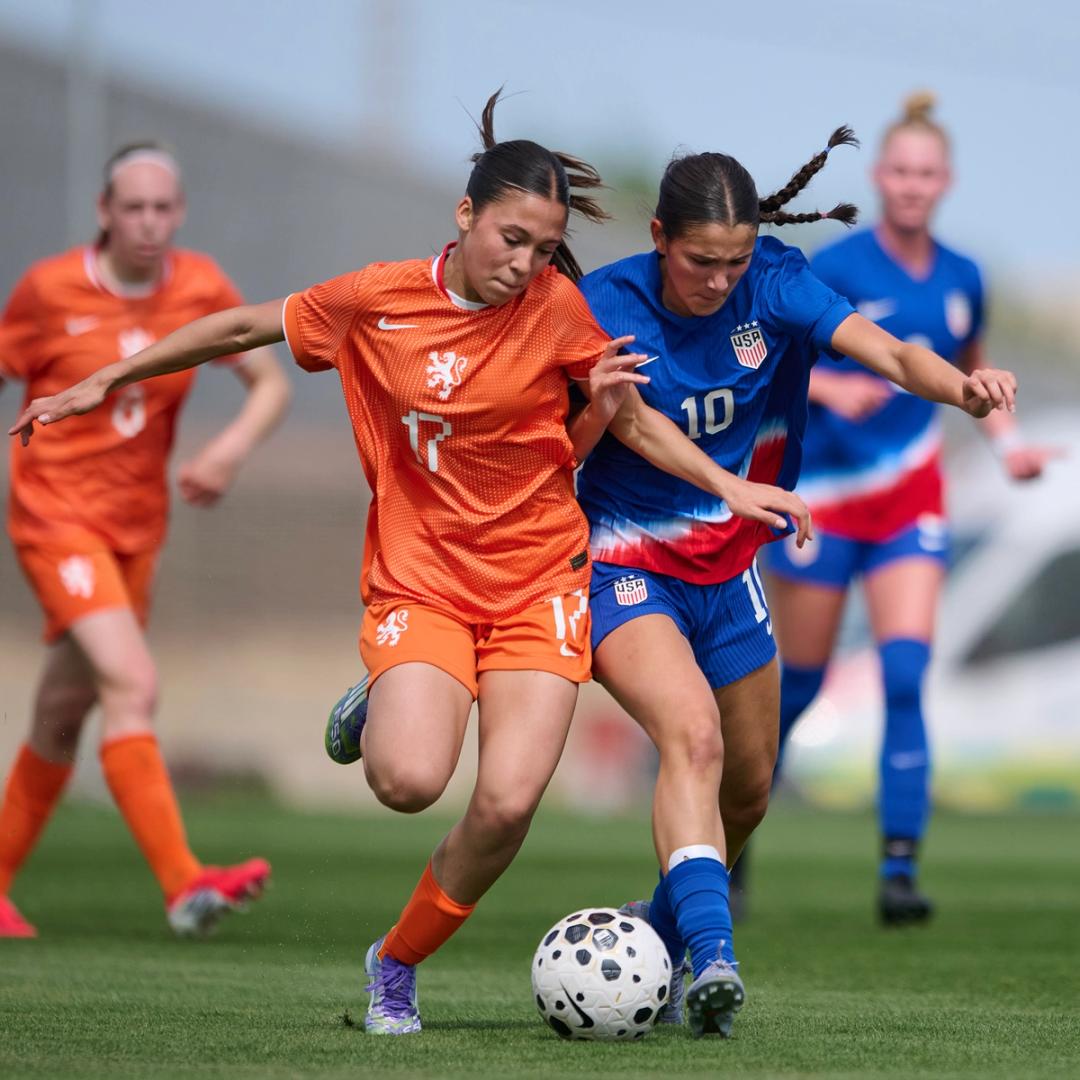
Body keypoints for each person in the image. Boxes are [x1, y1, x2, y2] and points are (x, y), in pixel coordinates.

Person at [8, 93, 762, 1035]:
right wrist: (107, 379)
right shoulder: (377, 299)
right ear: (466, 215)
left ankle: (394, 964)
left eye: (542, 246)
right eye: (511, 239)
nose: (525, 264)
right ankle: (391, 689)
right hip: (426, 582)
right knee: (407, 781)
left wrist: (728, 488)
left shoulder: (556, 307)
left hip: (538, 581)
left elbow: (633, 418)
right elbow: (243, 328)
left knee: (506, 806)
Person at [573, 128, 1019, 1036]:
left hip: (730, 567)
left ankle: (652, 945)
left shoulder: (775, 282)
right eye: (701, 261)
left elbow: (890, 352)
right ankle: (715, 955)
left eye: (734, 261)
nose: (720, 280)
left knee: (749, 788)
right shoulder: (603, 303)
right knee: (690, 738)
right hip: (625, 560)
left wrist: (962, 391)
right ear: (659, 237)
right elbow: (584, 432)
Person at [760, 93, 1055, 925]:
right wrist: (831, 382)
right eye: (901, 170)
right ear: (879, 176)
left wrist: (1011, 447)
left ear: (946, 181)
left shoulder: (964, 277)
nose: (913, 185)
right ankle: (731, 839)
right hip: (823, 503)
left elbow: (976, 381)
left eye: (928, 172)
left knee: (903, 673)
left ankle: (898, 871)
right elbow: (770, 362)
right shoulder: (837, 266)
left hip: (910, 503)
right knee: (801, 684)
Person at [0, 142, 292, 939]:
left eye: (163, 208)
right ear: (103, 211)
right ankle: (183, 883)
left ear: (181, 212)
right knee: (132, 681)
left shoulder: (199, 285)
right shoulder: (48, 290)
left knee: (64, 707)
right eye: (133, 207)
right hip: (55, 519)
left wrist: (225, 451)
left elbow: (269, 381)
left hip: (136, 531)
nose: (149, 223)